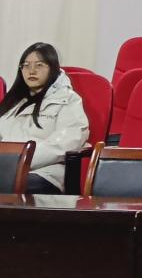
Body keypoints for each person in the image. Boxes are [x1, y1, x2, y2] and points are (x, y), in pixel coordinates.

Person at [0, 43, 89, 193]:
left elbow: (67, 143)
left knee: (9, 184)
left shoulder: (68, 99)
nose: (32, 71)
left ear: (52, 68)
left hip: (46, 172)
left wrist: (22, 161)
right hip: (8, 168)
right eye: (26, 65)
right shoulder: (13, 102)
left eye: (39, 65)